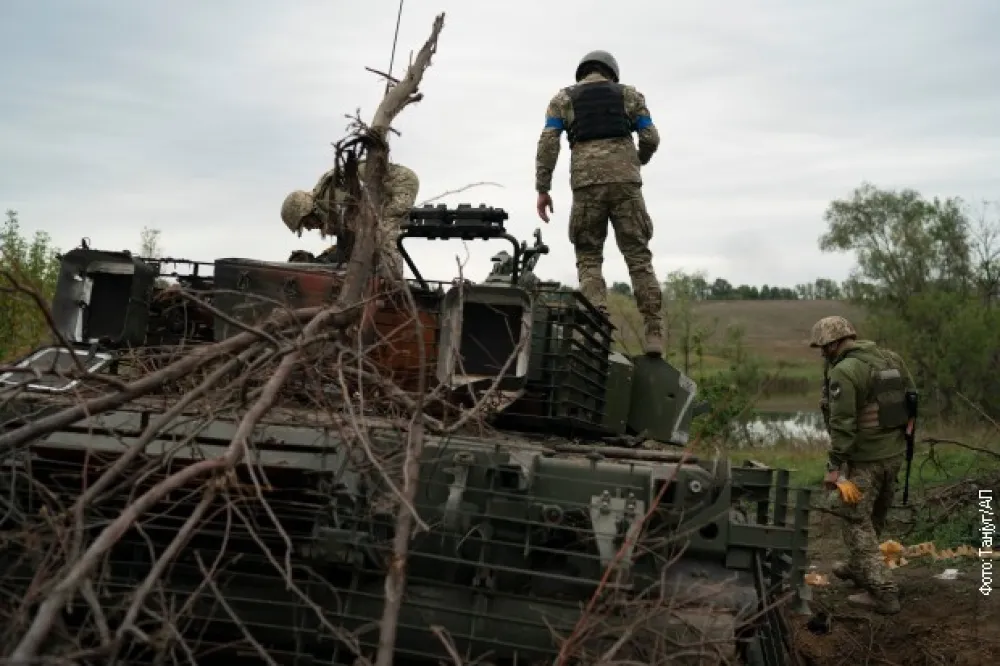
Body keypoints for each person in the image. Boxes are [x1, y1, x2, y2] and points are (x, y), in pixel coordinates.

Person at [534, 50, 664, 355]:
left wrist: (543, 188)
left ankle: (596, 328)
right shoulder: (630, 95)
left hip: (586, 185)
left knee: (589, 256)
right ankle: (654, 333)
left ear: (582, 72)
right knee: (638, 257)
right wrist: (637, 161)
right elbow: (650, 137)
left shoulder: (562, 100)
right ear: (611, 72)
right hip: (626, 184)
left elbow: (548, 143)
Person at [810, 315, 916, 615]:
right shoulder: (889, 358)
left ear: (835, 343)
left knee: (856, 522)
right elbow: (912, 397)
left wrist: (834, 468)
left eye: (823, 347)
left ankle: (884, 591)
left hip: (866, 460)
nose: (822, 354)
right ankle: (860, 568)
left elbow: (843, 425)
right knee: (874, 517)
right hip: (894, 455)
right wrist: (906, 431)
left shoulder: (845, 371)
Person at [280, 161, 420, 278]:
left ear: (308, 210)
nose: (310, 228)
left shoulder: (331, 199)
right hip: (385, 193)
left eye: (306, 223)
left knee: (384, 231)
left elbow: (358, 229)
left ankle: (391, 284)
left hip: (400, 183)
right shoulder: (326, 202)